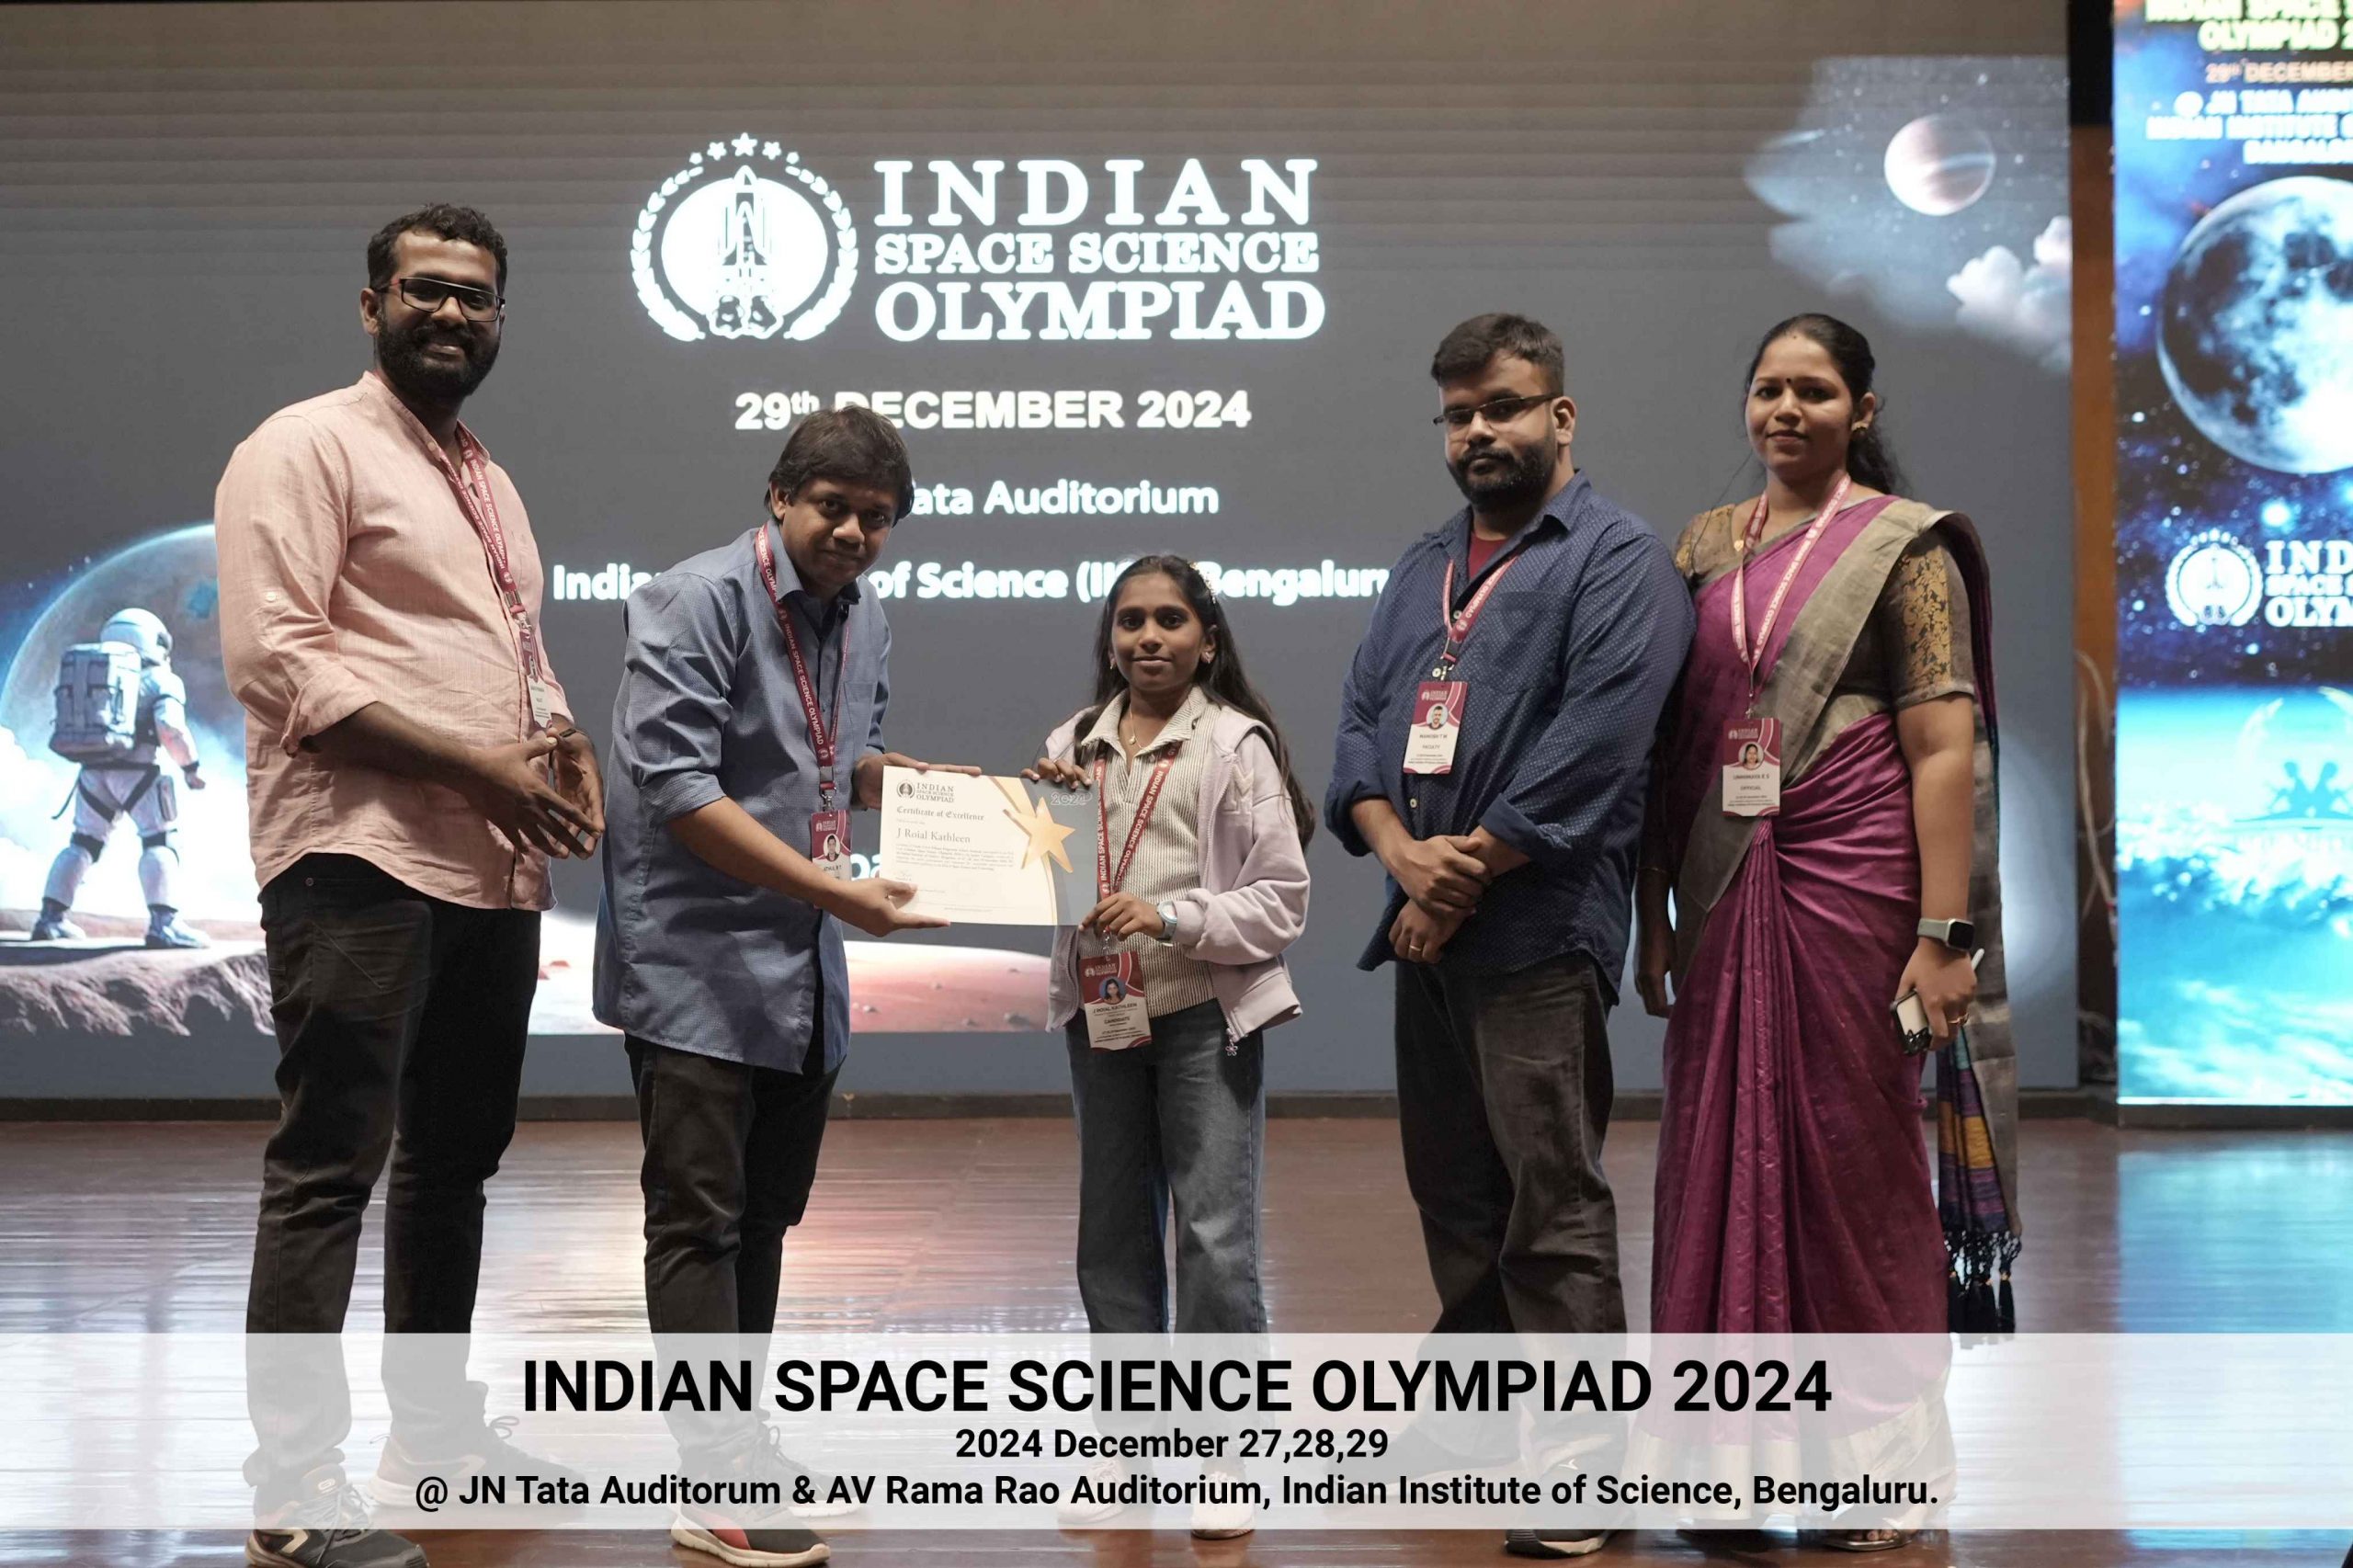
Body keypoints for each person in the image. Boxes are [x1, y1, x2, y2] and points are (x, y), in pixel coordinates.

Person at [216, 204, 602, 1568]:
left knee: (452, 1168)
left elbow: (507, 649)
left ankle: (432, 1439)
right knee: (331, 1166)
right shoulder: (304, 445)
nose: (451, 313)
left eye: (475, 297)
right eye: (425, 290)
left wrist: (558, 739)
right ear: (372, 304)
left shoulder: (489, 480)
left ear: (500, 320)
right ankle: (292, 1486)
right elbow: (278, 660)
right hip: (356, 854)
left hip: (487, 869)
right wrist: (480, 763)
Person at [1634, 312, 2016, 1550]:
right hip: (1722, 891)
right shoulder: (1702, 544)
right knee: (1714, 1155)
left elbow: (1941, 744)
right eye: (1767, 389)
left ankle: (1871, 1470)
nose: (1786, 410)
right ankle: (1725, 1468)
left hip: (1851, 888)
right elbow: (1668, 745)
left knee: (1852, 1160)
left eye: (1812, 390)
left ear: (1861, 408)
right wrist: (1654, 908)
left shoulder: (1908, 547)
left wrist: (1944, 933)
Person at [1326, 314, 1690, 1560]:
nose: (1479, 431)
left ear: (1561, 415)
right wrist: (1397, 852)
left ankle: (1586, 1466)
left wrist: (1457, 878)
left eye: (1504, 406)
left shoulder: (1617, 558)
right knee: (1456, 1193)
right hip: (1422, 923)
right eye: (1459, 414)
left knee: (1551, 1199)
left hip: (1535, 927)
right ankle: (1481, 1427)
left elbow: (1598, 745)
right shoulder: (1424, 562)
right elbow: (1362, 723)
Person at [596, 406, 971, 1568]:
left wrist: (911, 787)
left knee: (762, 1217)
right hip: (696, 964)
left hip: (802, 966)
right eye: (833, 507)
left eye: (877, 518)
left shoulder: (866, 616)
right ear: (779, 495)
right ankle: (714, 1479)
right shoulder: (693, 600)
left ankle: (738, 1444)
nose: (853, 533)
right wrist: (833, 888)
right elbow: (675, 787)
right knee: (698, 1221)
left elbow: (829, 763)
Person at [1025, 554, 1313, 1540]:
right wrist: (1041, 820)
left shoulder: (1234, 744)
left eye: (1170, 620)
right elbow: (1057, 890)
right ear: (1110, 639)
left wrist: (1172, 914)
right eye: (1131, 621)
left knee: (1215, 1235)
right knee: (1111, 1234)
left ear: (1208, 639)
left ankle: (1225, 1449)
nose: (1148, 636)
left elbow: (1281, 900)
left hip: (1201, 1016)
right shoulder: (1071, 743)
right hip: (1103, 1015)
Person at [32, 607, 210, 948]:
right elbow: (171, 728)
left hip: (92, 773)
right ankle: (164, 925)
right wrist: (191, 768)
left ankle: (50, 919)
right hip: (138, 775)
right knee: (159, 842)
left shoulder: (95, 672)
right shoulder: (161, 679)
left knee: (83, 843)